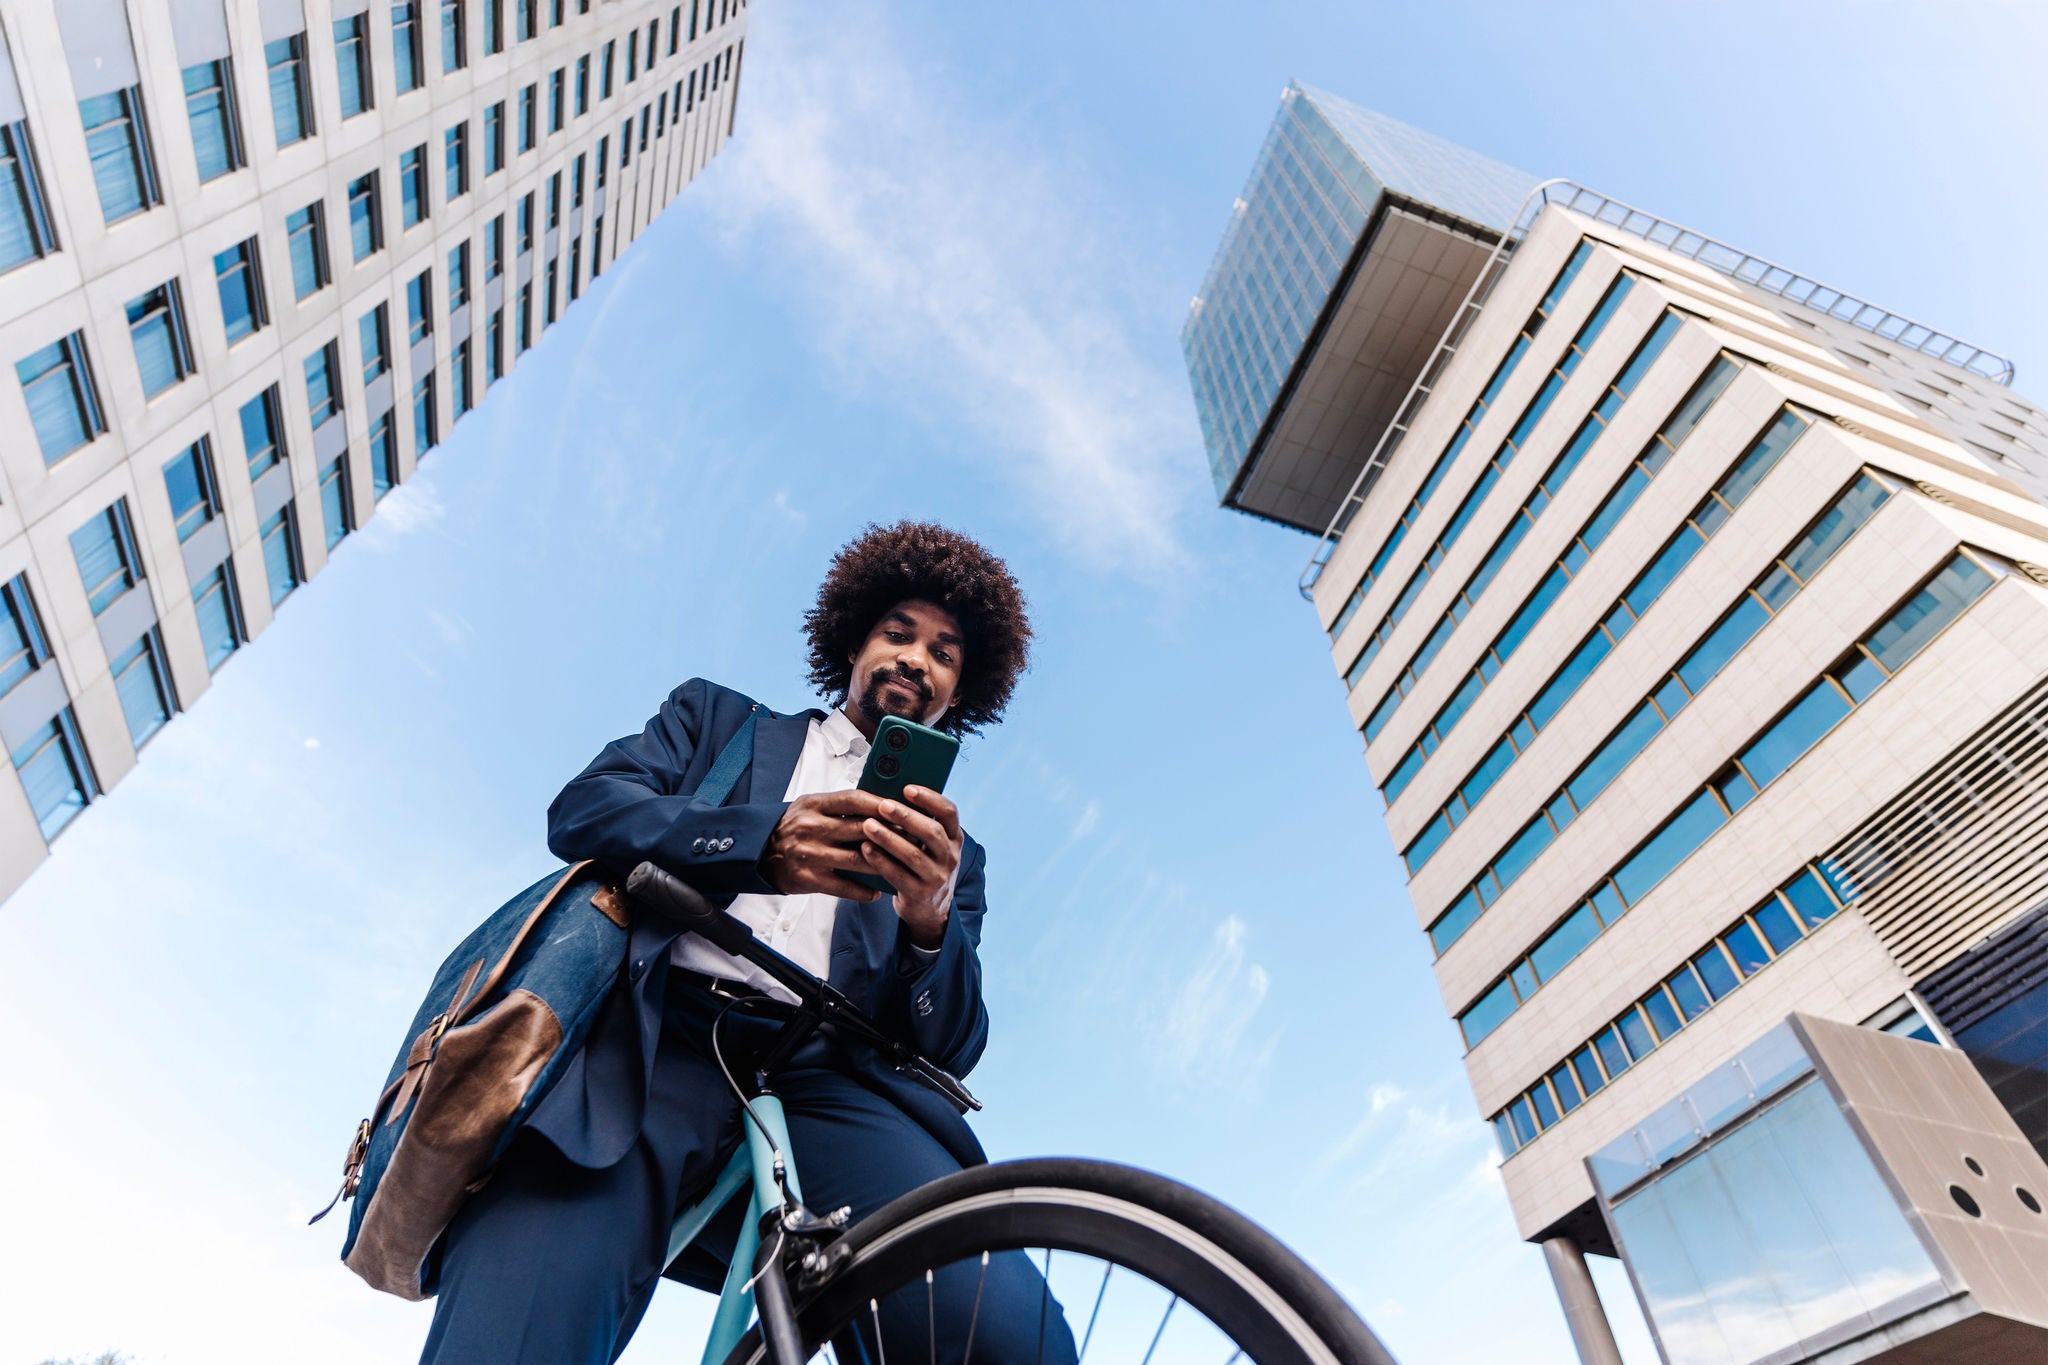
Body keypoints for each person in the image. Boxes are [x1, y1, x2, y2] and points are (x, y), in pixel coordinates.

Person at [419, 521, 1076, 1365]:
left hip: (833, 1084)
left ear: (961, 692)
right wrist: (760, 841)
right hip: (653, 1043)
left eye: (945, 653)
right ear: (854, 642)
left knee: (1004, 1330)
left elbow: (953, 1042)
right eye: (898, 633)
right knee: (513, 1322)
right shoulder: (718, 720)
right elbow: (584, 808)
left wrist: (928, 920)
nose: (917, 659)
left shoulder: (956, 857)